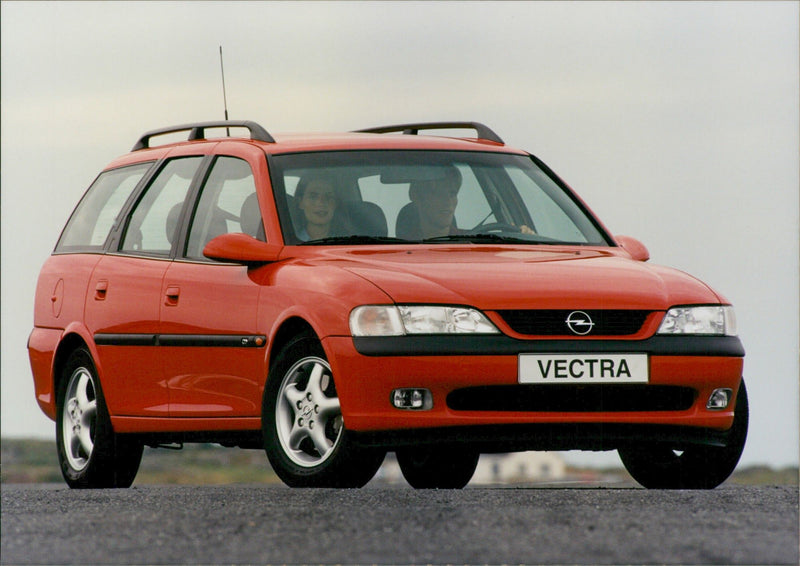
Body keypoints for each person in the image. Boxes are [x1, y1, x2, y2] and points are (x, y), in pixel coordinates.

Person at [396, 166, 534, 239]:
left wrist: (524, 238)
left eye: (452, 193)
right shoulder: (398, 252)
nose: (448, 201)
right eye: (438, 193)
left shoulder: (475, 242)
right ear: (416, 196)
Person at [294, 175, 338, 241]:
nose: (321, 202)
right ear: (301, 203)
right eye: (313, 196)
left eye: (328, 197)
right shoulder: (289, 240)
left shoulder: (349, 243)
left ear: (335, 204)